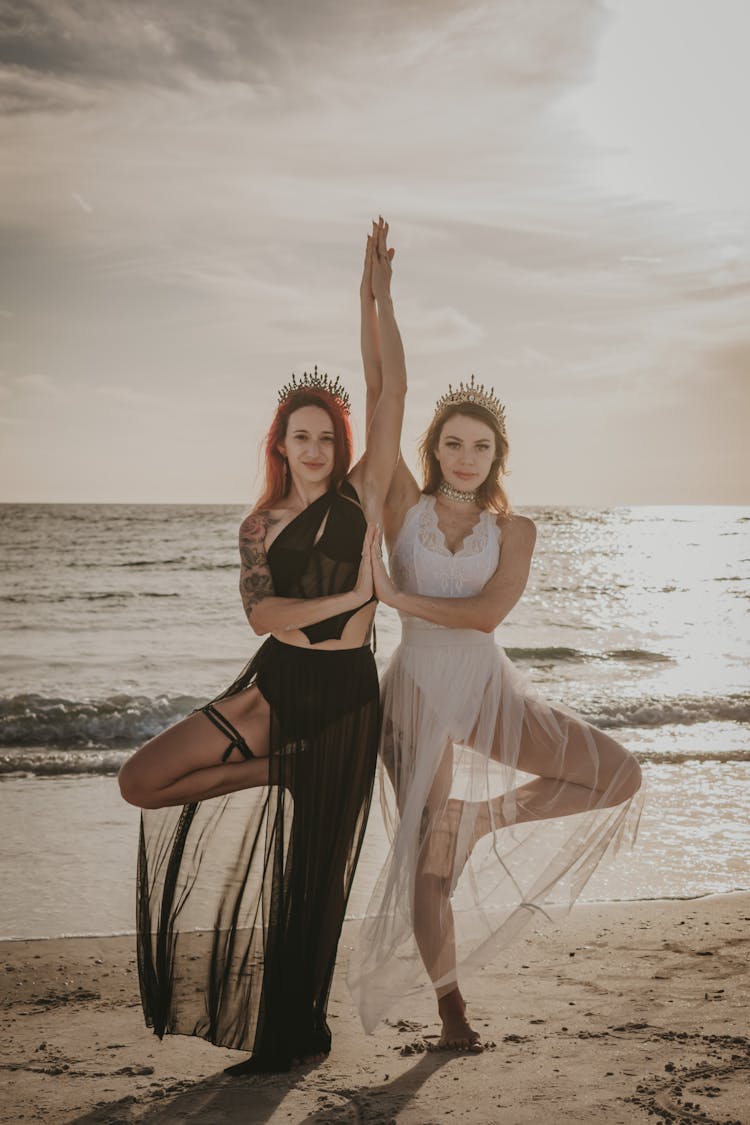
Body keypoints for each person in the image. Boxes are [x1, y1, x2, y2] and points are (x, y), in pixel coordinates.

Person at [118, 218, 406, 1073]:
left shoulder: (361, 492)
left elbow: (391, 388)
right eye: (300, 435)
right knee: (141, 780)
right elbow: (264, 617)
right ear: (279, 443)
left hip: (348, 698)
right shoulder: (260, 523)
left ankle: (290, 1036)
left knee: (312, 882)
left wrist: (376, 295)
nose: (314, 447)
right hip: (277, 685)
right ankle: (278, 769)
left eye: (325, 435)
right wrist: (358, 591)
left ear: (339, 446)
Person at [348, 346, 643, 1051]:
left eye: (480, 446)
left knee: (618, 773)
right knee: (425, 856)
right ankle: (451, 1008)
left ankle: (478, 816)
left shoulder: (516, 531)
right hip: (415, 682)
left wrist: (396, 594)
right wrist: (379, 298)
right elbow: (384, 393)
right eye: (452, 442)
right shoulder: (400, 506)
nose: (465, 456)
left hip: (483, 679)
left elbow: (485, 615)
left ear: (497, 455)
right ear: (434, 448)